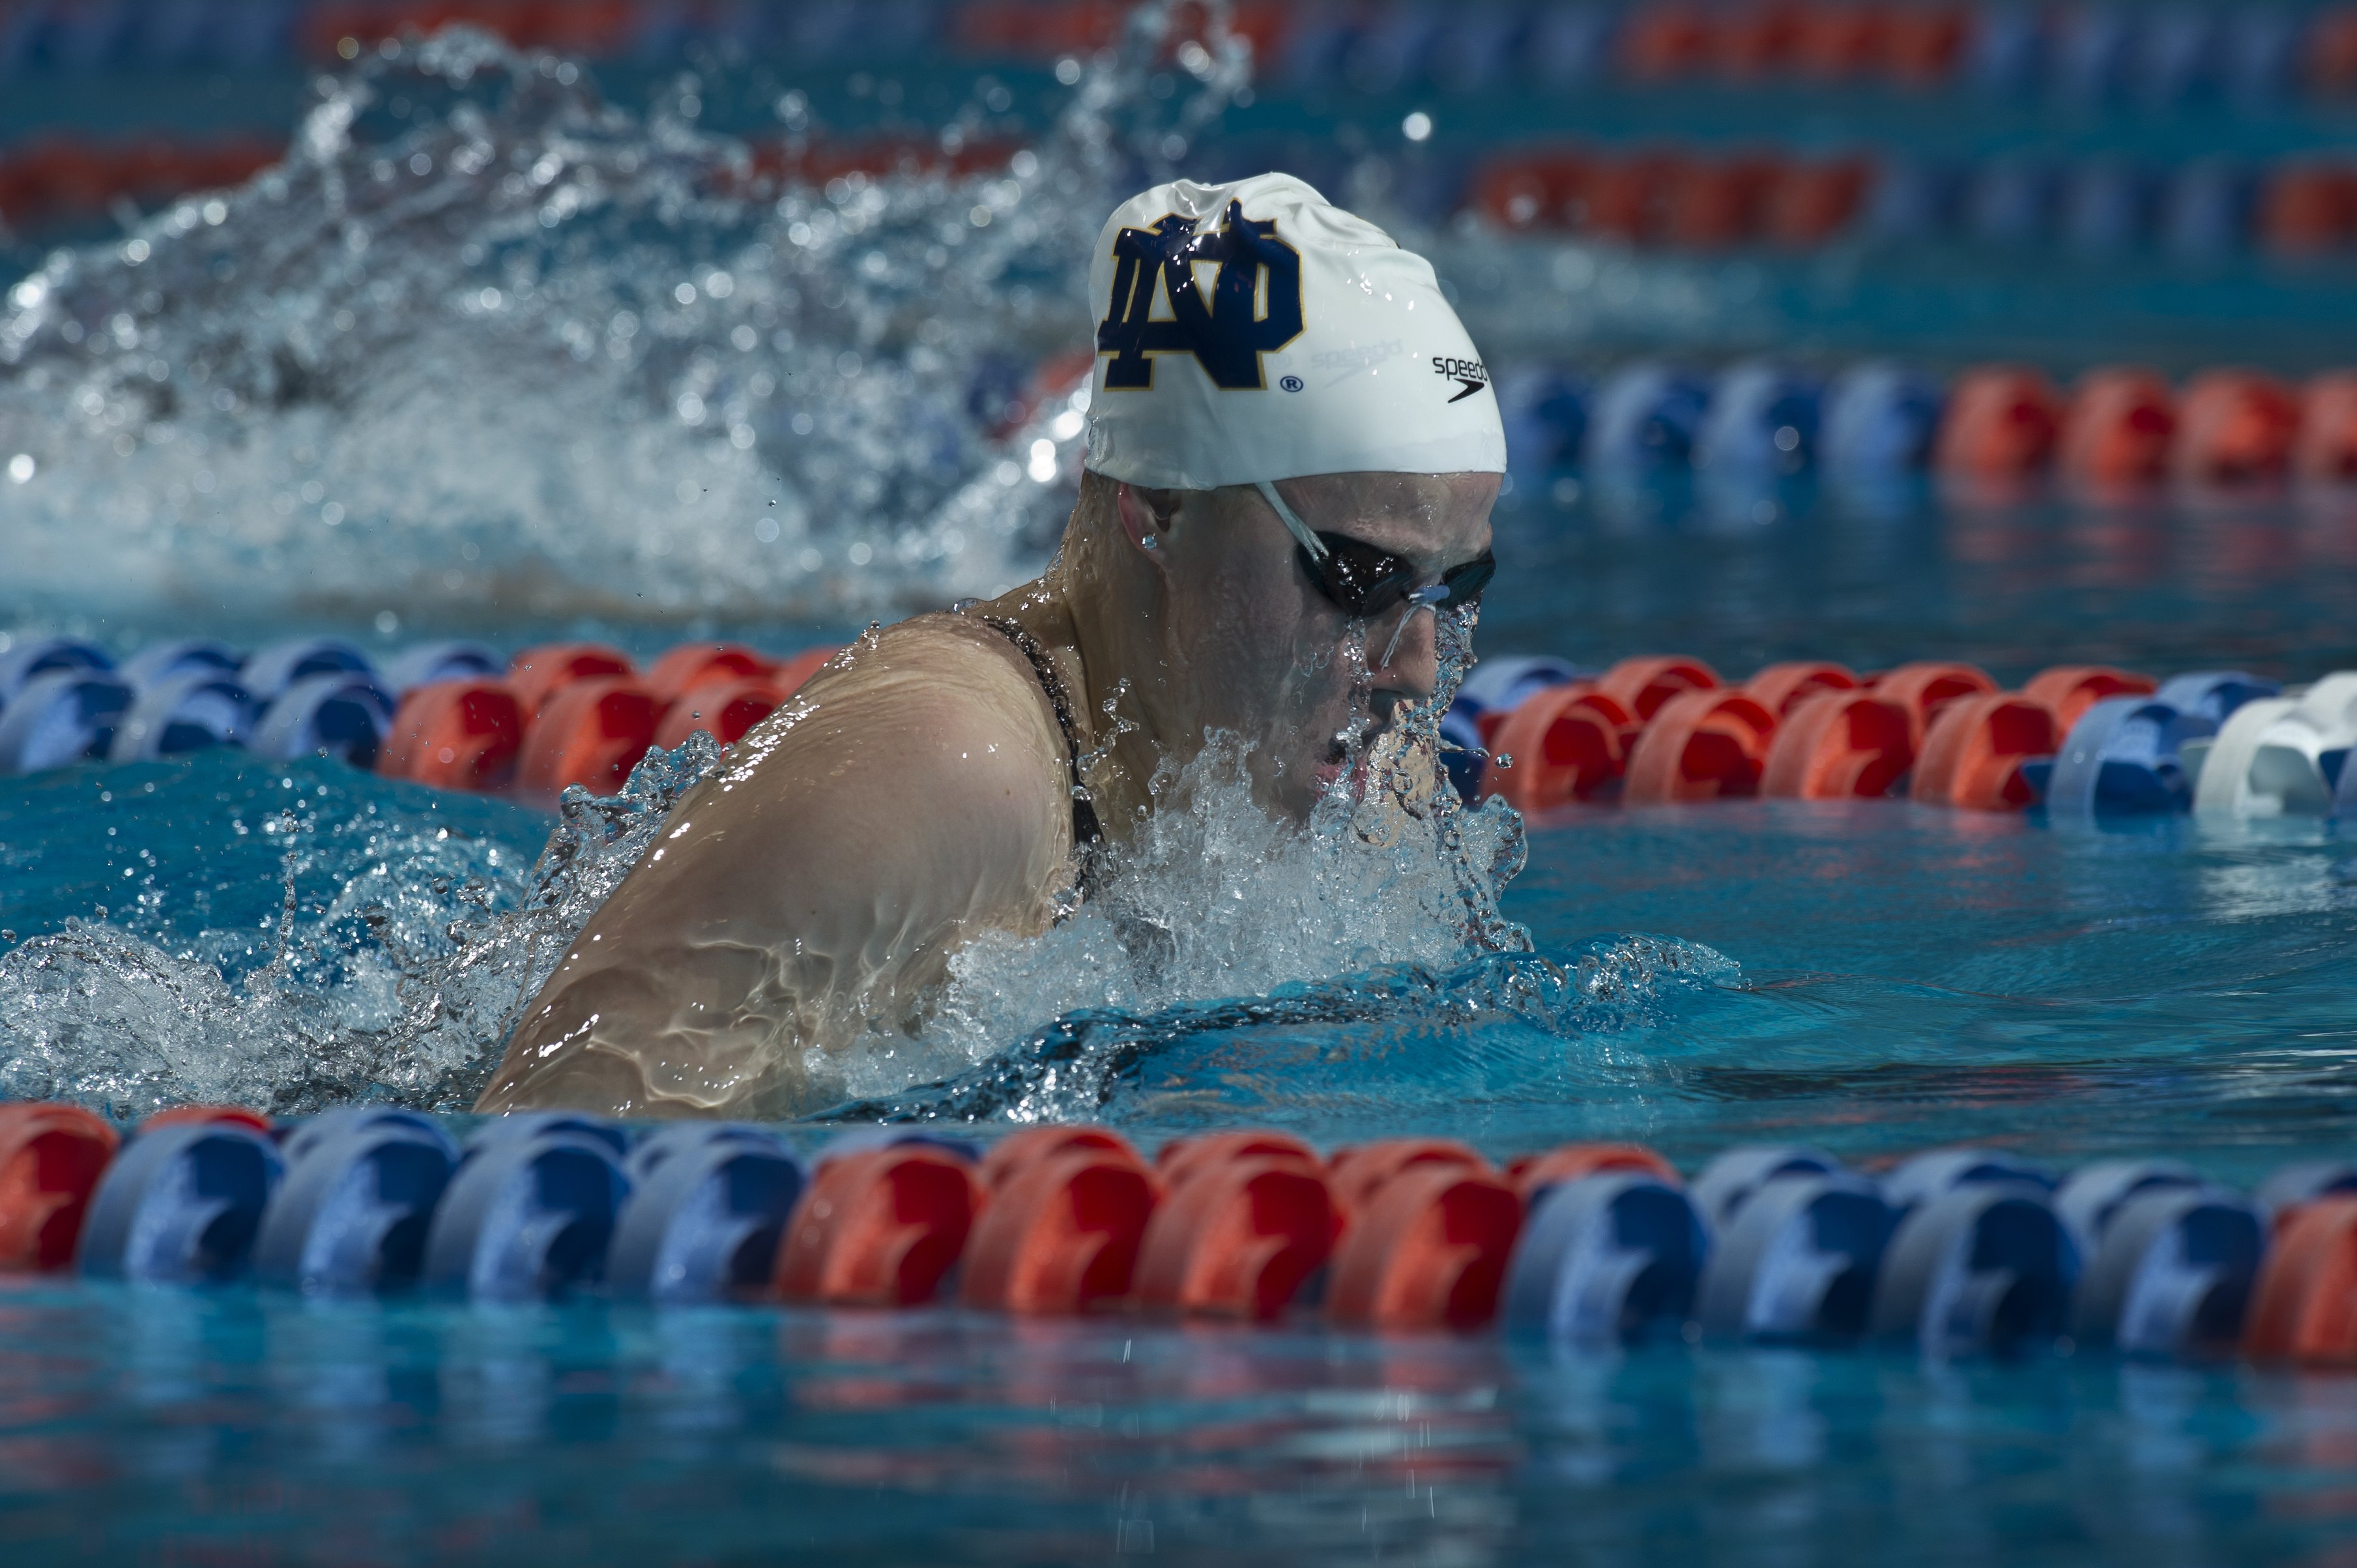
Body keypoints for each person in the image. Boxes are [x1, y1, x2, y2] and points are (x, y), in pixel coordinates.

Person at [477, 172, 1506, 1117]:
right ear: (1160, 507)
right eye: (1359, 579)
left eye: (1451, 586)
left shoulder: (1365, 775)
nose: (1415, 665)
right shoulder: (945, 770)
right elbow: (542, 1171)